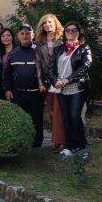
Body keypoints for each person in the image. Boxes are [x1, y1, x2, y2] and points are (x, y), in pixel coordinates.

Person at [50, 22, 93, 157]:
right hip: (61, 89)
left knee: (75, 116)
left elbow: (86, 65)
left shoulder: (84, 48)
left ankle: (81, 146)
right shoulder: (59, 49)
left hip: (77, 88)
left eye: (74, 30)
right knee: (66, 118)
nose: (70, 32)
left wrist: (68, 79)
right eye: (68, 30)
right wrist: (54, 80)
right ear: (64, 33)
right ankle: (70, 146)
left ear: (79, 33)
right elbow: (51, 67)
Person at [3, 24, 46, 147]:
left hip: (36, 93)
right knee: (20, 120)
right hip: (18, 93)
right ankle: (22, 144)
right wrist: (7, 89)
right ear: (18, 36)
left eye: (28, 33)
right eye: (22, 33)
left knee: (37, 120)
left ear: (33, 35)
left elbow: (46, 70)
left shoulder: (39, 51)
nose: (25, 36)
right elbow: (7, 74)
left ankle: (37, 145)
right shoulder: (13, 53)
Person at [35, 14, 66, 153]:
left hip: (61, 81)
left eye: (50, 22)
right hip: (48, 82)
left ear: (55, 24)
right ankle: (56, 140)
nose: (47, 25)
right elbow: (38, 64)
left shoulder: (62, 40)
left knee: (61, 112)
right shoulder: (40, 42)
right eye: (45, 23)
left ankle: (63, 140)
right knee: (52, 112)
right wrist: (40, 82)